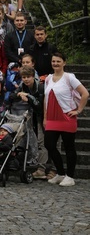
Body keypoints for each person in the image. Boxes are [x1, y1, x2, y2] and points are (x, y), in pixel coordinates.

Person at [43, 52, 89, 187]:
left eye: (58, 61)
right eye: (53, 61)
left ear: (64, 63)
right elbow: (46, 98)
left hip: (66, 117)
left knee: (69, 147)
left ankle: (70, 176)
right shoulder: (48, 79)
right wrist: (45, 117)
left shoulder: (70, 77)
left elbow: (85, 93)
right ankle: (61, 173)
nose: (55, 64)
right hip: (52, 118)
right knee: (49, 145)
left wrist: (78, 110)